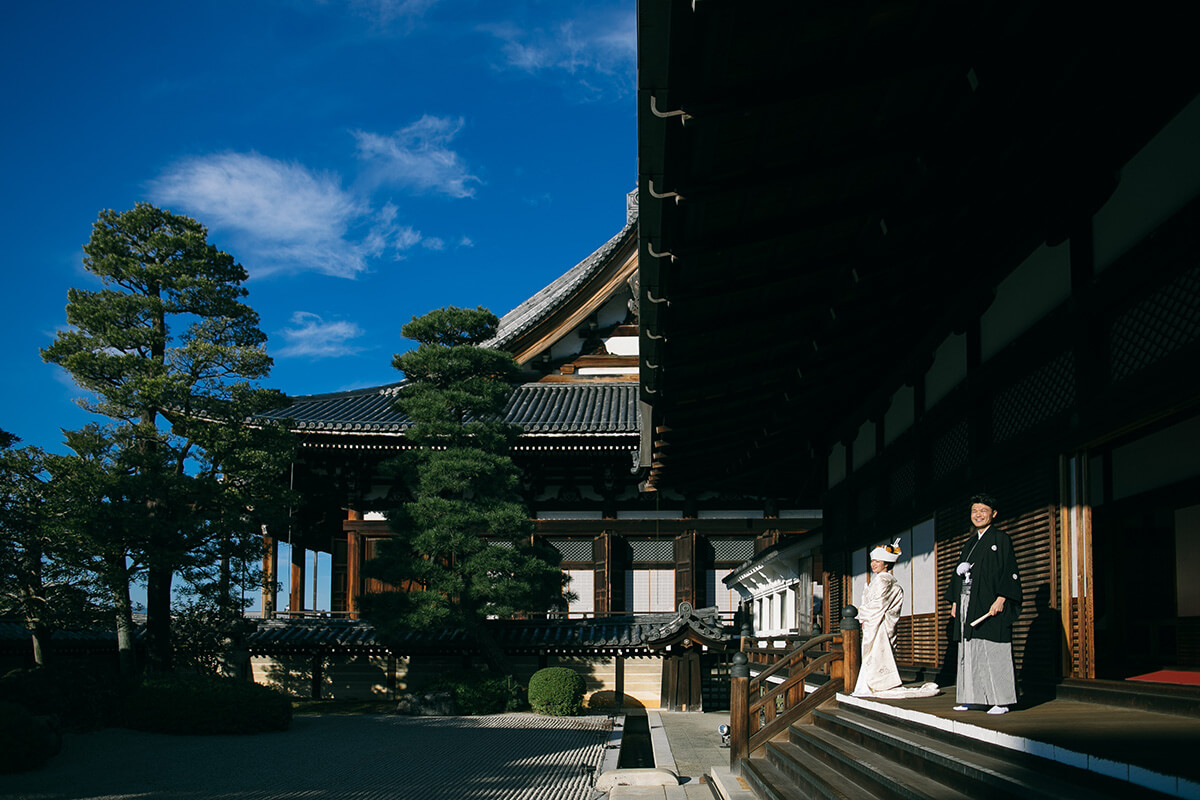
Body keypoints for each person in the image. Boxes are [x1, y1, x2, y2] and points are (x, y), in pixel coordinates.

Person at [947, 493, 1022, 714]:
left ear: (994, 514)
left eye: (983, 511)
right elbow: (957, 575)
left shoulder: (1001, 539)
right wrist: (954, 601)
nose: (978, 515)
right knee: (968, 650)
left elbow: (1009, 570)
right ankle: (972, 697)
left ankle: (1001, 700)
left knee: (993, 648)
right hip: (967, 601)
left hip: (990, 601)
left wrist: (1002, 598)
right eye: (974, 511)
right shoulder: (969, 543)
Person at [852, 539, 904, 697]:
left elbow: (878, 605)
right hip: (875, 621)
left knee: (876, 653)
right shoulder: (881, 580)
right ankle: (875, 684)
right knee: (876, 655)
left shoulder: (883, 581)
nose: (873, 564)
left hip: (878, 623)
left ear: (886, 563)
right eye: (872, 561)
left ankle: (875, 685)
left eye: (877, 561)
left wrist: (863, 615)